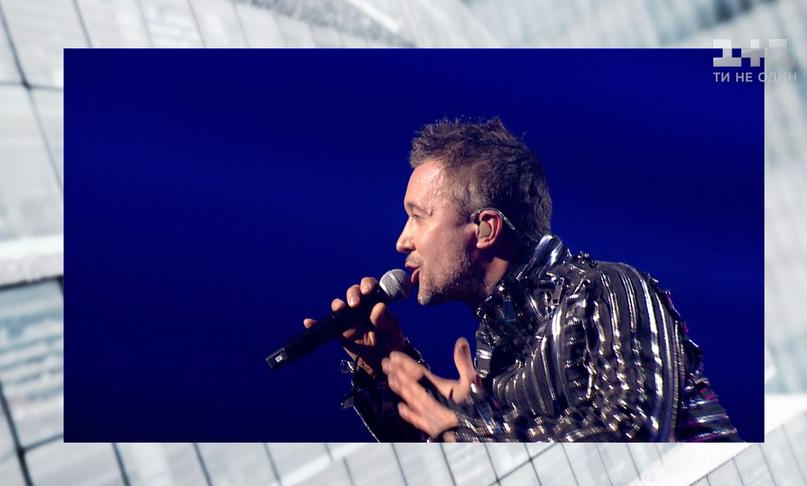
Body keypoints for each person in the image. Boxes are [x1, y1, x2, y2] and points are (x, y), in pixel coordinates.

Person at [304, 117, 739, 442]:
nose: (402, 240)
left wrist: (469, 429)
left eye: (418, 216)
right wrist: (385, 365)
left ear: (486, 228)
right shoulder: (497, 349)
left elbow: (636, 436)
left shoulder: (604, 290)